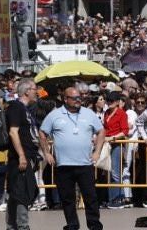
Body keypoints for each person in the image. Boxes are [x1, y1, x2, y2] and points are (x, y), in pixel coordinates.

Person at [41, 83, 106, 230]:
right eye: (74, 98)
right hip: (64, 164)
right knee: (67, 198)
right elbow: (42, 133)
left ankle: (94, 225)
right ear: (65, 99)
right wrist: (46, 152)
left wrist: (97, 152)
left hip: (85, 164)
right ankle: (72, 224)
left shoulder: (88, 114)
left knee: (90, 197)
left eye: (80, 97)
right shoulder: (55, 115)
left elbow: (101, 131)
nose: (78, 100)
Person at [4, 80, 40, 230]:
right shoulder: (16, 107)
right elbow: (13, 132)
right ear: (26, 91)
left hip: (29, 155)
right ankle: (22, 225)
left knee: (17, 192)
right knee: (21, 192)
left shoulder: (25, 109)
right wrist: (21, 155)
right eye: (34, 89)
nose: (36, 92)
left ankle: (12, 225)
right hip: (20, 157)